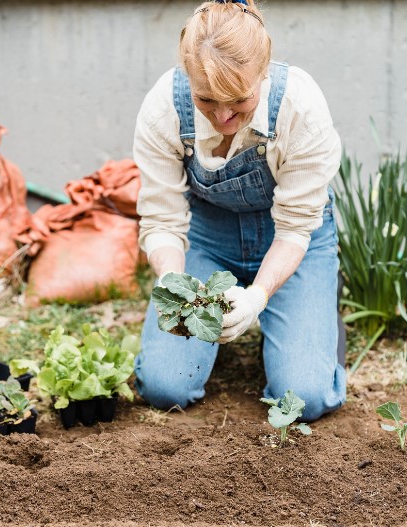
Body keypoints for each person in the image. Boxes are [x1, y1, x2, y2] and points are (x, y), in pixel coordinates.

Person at [133, 0, 346, 421]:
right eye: (207, 99)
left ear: (262, 74)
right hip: (208, 237)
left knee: (304, 397)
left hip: (289, 238)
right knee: (164, 387)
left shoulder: (300, 108)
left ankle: (312, 307)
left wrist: (257, 297)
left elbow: (295, 229)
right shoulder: (164, 107)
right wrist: (175, 281)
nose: (223, 114)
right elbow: (162, 219)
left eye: (238, 99)